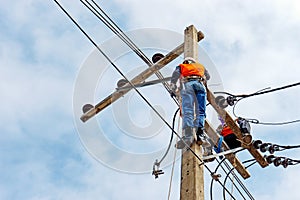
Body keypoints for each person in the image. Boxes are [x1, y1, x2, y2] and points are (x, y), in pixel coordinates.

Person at [170, 57, 210, 149]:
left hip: (188, 85)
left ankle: (188, 136)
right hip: (200, 85)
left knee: (188, 110)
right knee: (201, 111)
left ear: (186, 62)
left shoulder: (182, 66)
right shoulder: (201, 66)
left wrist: (172, 88)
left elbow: (175, 77)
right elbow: (208, 76)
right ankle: (200, 134)